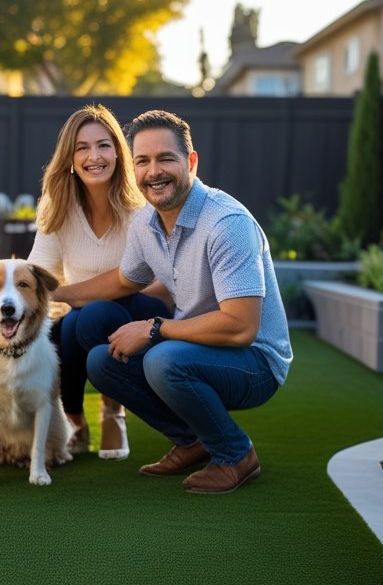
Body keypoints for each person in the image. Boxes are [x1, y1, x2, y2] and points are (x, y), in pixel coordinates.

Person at [57, 109, 293, 494]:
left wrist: (154, 329)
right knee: (102, 361)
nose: (154, 171)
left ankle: (235, 453)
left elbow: (241, 326)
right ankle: (193, 440)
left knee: (162, 358)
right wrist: (56, 291)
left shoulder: (226, 223)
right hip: (195, 345)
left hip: (255, 362)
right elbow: (122, 281)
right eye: (143, 161)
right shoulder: (146, 223)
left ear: (191, 162)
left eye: (166, 158)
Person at [28, 104, 171, 460]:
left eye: (104, 145)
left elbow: (161, 284)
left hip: (145, 310)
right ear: (70, 157)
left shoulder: (141, 208)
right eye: (82, 147)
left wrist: (79, 295)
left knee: (86, 317)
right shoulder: (56, 205)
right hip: (81, 316)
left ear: (118, 152)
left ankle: (113, 411)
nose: (94, 156)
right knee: (65, 329)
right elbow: (38, 276)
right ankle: (74, 420)